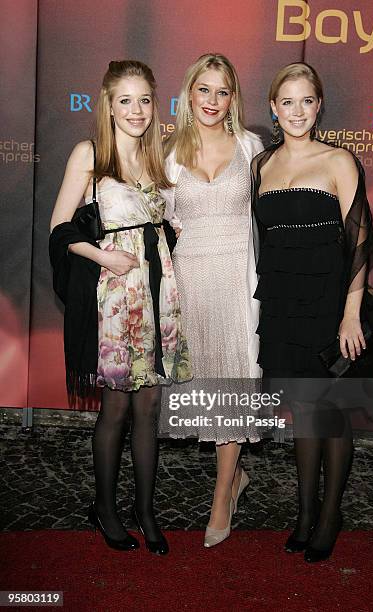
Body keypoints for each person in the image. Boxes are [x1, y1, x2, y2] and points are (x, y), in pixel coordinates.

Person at [49, 60, 191, 555]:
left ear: (156, 105)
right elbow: (60, 229)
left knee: (149, 407)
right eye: (125, 100)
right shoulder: (89, 154)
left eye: (145, 100)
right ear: (108, 106)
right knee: (116, 408)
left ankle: (145, 510)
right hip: (114, 300)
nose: (136, 110)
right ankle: (105, 508)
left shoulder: (158, 160)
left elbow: (164, 224)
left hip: (157, 297)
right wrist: (103, 254)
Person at [251, 62, 373, 562]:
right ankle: (304, 513)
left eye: (307, 100)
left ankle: (330, 515)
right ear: (273, 109)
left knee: (331, 414)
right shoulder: (263, 165)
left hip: (329, 304)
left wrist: (350, 315)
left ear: (319, 104)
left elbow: (360, 240)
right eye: (287, 102)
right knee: (303, 413)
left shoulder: (339, 161)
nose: (297, 111)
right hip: (282, 304)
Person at [159, 53, 264, 548]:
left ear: (233, 99)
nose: (212, 101)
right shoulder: (168, 152)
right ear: (189, 93)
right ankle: (236, 477)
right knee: (206, 384)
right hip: (190, 280)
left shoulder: (251, 146)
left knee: (233, 383)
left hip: (238, 280)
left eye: (222, 92)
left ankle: (223, 494)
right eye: (204, 89)